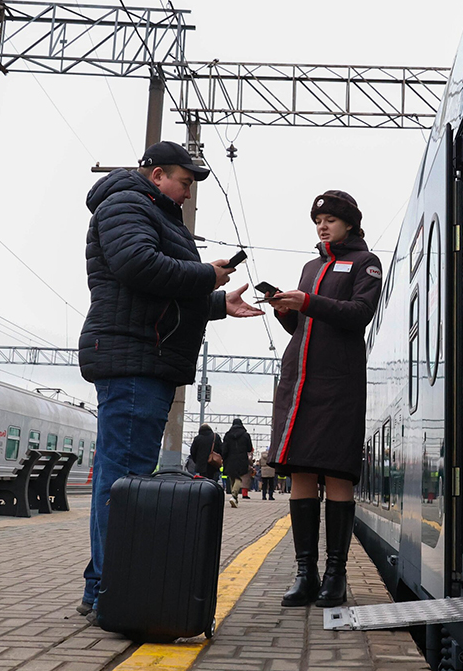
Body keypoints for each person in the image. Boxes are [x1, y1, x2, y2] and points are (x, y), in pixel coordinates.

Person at [75, 140, 264, 619]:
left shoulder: (151, 209)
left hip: (143, 356)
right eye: (184, 181)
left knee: (126, 477)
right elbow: (139, 267)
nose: (187, 192)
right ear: (157, 173)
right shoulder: (127, 204)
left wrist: (219, 302)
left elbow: (161, 291)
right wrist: (206, 276)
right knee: (125, 480)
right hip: (134, 358)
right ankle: (108, 591)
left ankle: (105, 585)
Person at [266, 190, 383, 608]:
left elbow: (357, 314)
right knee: (299, 474)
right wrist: (287, 312)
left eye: (331, 219)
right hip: (299, 385)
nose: (323, 225)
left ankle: (335, 575)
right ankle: (305, 573)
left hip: (338, 387)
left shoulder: (366, 263)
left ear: (350, 223)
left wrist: (309, 302)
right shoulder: (310, 265)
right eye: (319, 219)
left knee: (335, 474)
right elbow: (305, 328)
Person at [222, 418, 253, 506]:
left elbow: (224, 449)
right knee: (239, 478)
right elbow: (249, 448)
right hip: (241, 459)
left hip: (230, 459)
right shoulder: (245, 435)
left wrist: (224, 458)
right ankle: (234, 495)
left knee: (232, 477)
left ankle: (234, 497)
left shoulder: (227, 435)